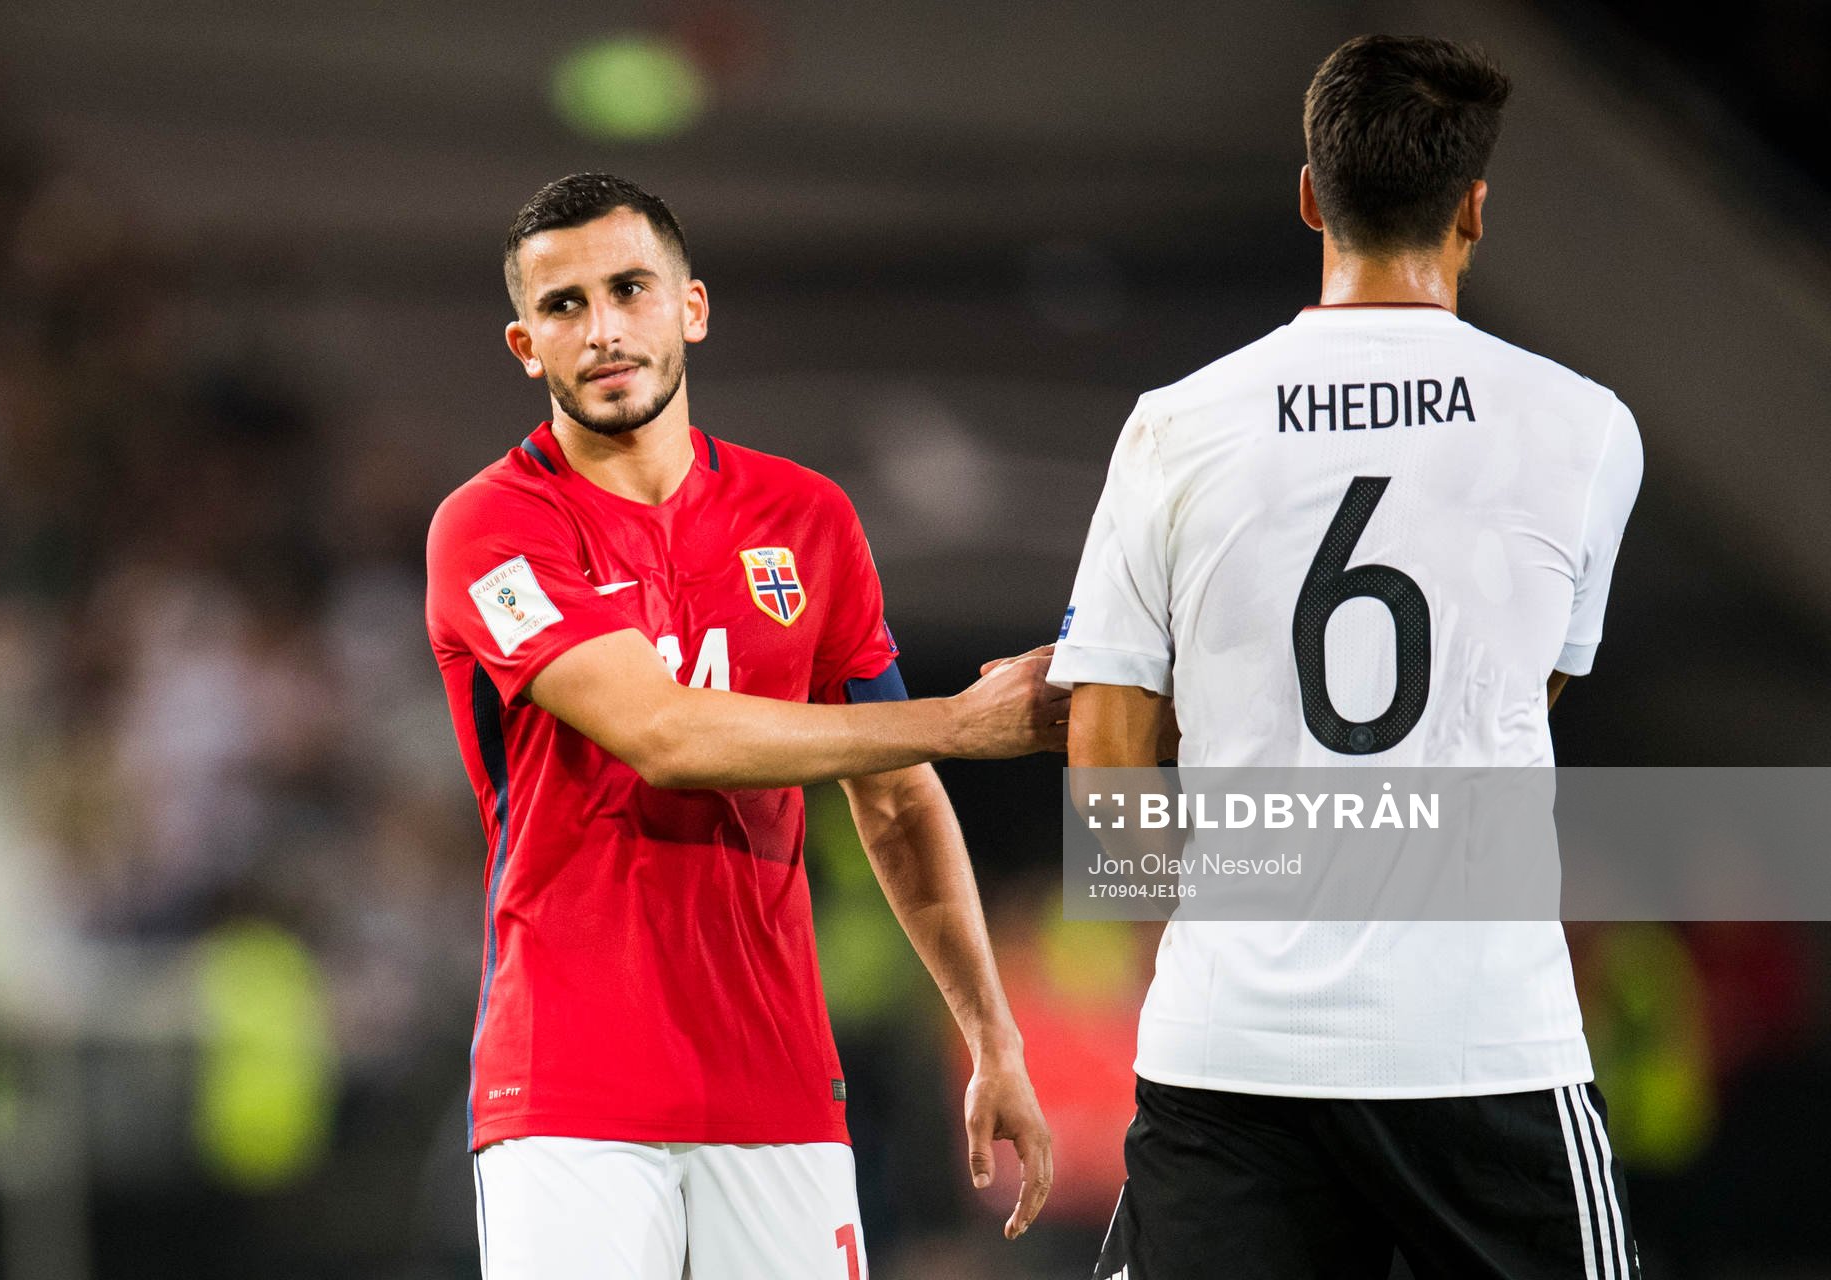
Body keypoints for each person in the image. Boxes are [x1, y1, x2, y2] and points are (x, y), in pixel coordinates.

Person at [1051, 36, 1644, 1279]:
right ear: (1474, 208)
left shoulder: (1175, 425)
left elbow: (1104, 756)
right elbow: (1525, 692)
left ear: (1311, 198)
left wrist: (1226, 933)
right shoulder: (1588, 428)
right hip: (1483, 1042)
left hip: (1233, 1052)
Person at [424, 173, 1059, 1279]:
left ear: (693, 307)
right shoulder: (491, 528)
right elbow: (664, 736)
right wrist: (961, 721)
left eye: (630, 289)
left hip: (780, 1087)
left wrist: (992, 1034)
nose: (604, 328)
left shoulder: (808, 518)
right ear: (526, 346)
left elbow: (898, 799)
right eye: (565, 305)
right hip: (569, 1091)